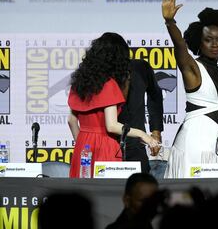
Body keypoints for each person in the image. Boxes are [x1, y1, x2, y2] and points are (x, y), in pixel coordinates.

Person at [161, 0, 218, 178]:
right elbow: (180, 47)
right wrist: (170, 22)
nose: (214, 44)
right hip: (193, 141)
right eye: (208, 39)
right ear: (199, 41)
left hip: (213, 139)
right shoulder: (192, 67)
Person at [67, 32, 160, 178]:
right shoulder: (108, 85)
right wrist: (143, 135)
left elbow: (71, 121)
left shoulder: (79, 83)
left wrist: (84, 144)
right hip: (105, 146)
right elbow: (111, 126)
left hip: (83, 148)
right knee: (108, 192)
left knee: (83, 189)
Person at [118, 59, 164, 173]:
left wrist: (156, 130)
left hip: (136, 143)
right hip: (107, 142)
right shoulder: (100, 73)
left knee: (141, 186)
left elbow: (155, 94)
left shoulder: (140, 67)